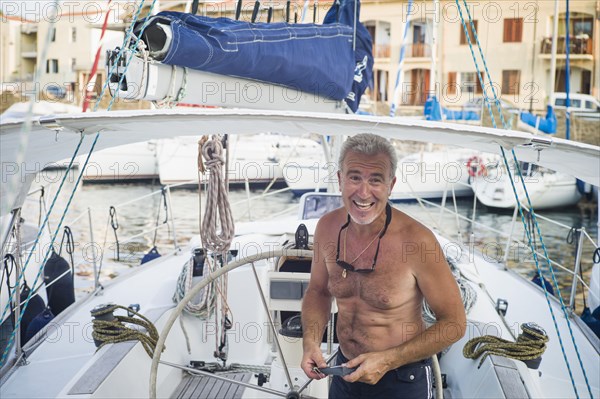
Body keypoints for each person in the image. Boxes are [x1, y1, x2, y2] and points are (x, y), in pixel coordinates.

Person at [301, 133, 466, 398]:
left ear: (391, 185)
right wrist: (310, 342)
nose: (363, 192)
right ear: (340, 179)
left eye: (375, 180)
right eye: (355, 177)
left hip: (401, 378)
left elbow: (454, 323)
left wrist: (388, 359)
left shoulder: (417, 241)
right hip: (344, 373)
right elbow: (318, 291)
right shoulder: (327, 228)